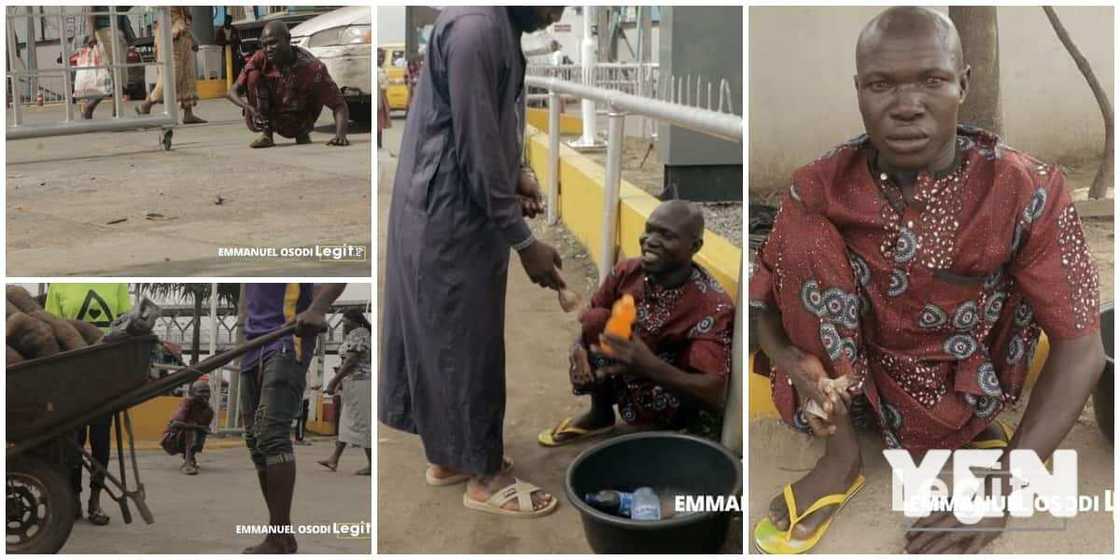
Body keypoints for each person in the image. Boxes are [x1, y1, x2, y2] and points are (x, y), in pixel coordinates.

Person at [749, 7, 1105, 554]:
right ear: (859, 91)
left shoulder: (1027, 187)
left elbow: (1082, 348)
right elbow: (763, 307)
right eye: (881, 84)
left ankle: (962, 430)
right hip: (854, 393)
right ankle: (842, 459)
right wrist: (790, 360)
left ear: (963, 84)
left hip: (969, 389)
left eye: (931, 80)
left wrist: (1001, 491)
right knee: (803, 238)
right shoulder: (819, 184)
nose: (906, 106)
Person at [380, 6, 568, 519]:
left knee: (446, 337)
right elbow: (477, 147)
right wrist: (524, 241)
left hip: (455, 207)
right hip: (449, 216)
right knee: (468, 343)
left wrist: (519, 173)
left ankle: (451, 456)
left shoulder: (498, 26)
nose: (560, 12)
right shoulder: (477, 30)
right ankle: (484, 477)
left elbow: (493, 122)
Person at [538, 201, 735, 446]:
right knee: (596, 321)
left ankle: (660, 435)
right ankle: (600, 415)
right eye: (649, 230)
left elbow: (714, 393)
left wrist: (648, 365)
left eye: (666, 235)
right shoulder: (627, 272)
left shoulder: (711, 305)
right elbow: (591, 318)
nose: (650, 240)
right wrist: (578, 350)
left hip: (672, 401)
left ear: (694, 246)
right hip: (626, 373)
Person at [238, 283, 346, 554]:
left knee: (272, 436)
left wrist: (317, 309)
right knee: (255, 441)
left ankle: (278, 535)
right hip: (251, 346)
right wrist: (242, 336)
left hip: (286, 339)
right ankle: (282, 535)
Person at [47, 283, 132, 526]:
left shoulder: (117, 284)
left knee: (100, 440)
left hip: (105, 375)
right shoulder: (59, 285)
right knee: (74, 442)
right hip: (72, 376)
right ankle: (73, 498)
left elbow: (124, 325)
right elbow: (51, 325)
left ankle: (95, 500)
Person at [226, 21, 350, 149]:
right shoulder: (260, 58)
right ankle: (266, 134)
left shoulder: (312, 67)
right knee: (253, 75)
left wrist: (340, 135)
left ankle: (301, 134)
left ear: (288, 39)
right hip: (269, 119)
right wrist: (248, 107)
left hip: (300, 121)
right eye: (264, 45)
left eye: (273, 43)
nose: (268, 49)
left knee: (313, 85)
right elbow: (231, 92)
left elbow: (339, 104)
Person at [317, 309, 372, 475]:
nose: (344, 323)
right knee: (347, 423)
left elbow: (351, 361)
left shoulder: (359, 333)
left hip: (359, 383)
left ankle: (372, 464)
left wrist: (334, 381)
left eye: (345, 319)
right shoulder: (356, 334)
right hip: (352, 383)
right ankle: (334, 459)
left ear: (354, 320)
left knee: (362, 423)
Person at [135, 7, 206, 124]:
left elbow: (185, 15)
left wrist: (191, 38)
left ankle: (188, 113)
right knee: (172, 75)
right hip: (170, 34)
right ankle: (147, 104)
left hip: (182, 33)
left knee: (188, 76)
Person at [81, 5, 130, 119]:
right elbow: (90, 9)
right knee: (115, 77)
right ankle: (93, 107)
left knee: (120, 79)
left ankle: (114, 114)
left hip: (117, 32)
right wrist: (91, 35)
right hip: (106, 32)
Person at [160, 380, 215, 475]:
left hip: (189, 436)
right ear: (193, 393)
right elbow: (174, 424)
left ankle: (189, 456)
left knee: (201, 431)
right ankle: (187, 463)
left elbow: (204, 428)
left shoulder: (209, 411)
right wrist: (197, 427)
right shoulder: (187, 402)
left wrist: (202, 428)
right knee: (192, 426)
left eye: (207, 392)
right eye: (201, 391)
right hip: (172, 439)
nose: (205, 394)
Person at [215, 14, 243, 80]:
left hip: (233, 52)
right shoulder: (220, 30)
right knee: (226, 68)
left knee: (235, 68)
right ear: (224, 21)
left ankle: (236, 81)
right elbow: (217, 42)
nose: (228, 22)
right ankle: (227, 80)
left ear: (231, 21)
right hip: (224, 53)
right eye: (227, 20)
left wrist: (238, 48)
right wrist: (226, 42)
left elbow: (239, 41)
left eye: (229, 21)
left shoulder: (234, 30)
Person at [377, 48, 391, 149]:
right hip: (380, 98)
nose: (381, 59)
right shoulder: (378, 71)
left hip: (382, 97)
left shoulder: (381, 70)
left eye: (382, 57)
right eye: (379, 57)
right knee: (379, 123)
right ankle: (378, 144)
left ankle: (379, 144)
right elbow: (384, 86)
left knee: (380, 124)